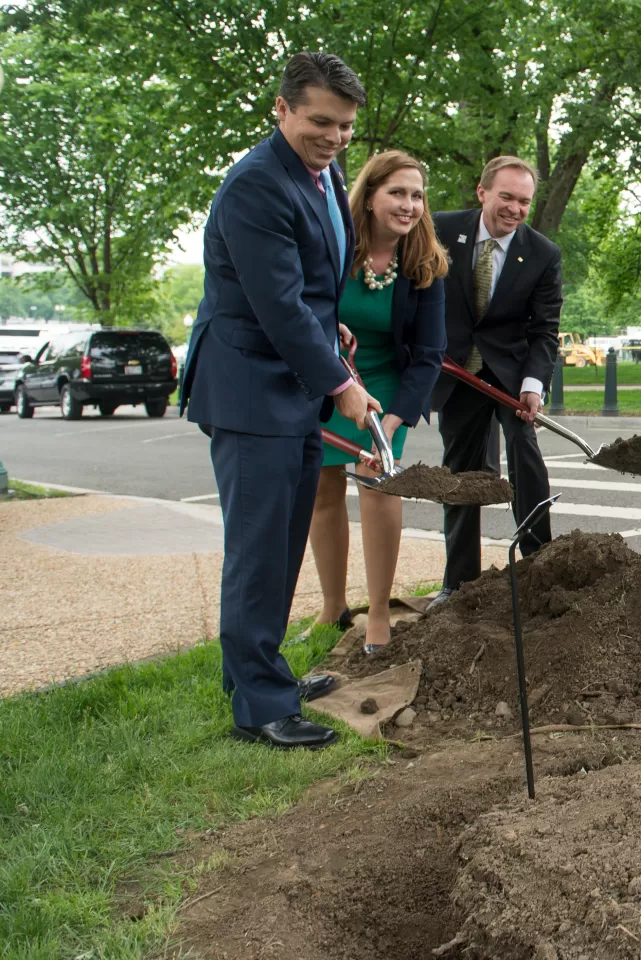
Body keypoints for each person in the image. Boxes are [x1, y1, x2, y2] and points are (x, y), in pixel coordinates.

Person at [180, 53, 379, 750]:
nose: (333, 137)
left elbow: (310, 292)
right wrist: (344, 386)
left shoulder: (318, 178)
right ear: (282, 109)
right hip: (248, 387)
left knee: (283, 539)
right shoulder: (255, 186)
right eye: (320, 121)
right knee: (258, 549)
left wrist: (334, 327)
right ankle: (259, 708)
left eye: (346, 127)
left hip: (288, 385)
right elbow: (279, 306)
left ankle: (261, 673)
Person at [305, 150, 448, 654]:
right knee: (322, 491)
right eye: (397, 193)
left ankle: (381, 612)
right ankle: (332, 606)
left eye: (416, 195)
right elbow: (305, 310)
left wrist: (389, 422)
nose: (409, 205)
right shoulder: (332, 246)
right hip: (332, 379)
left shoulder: (425, 262)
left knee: (378, 483)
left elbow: (430, 354)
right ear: (368, 197)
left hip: (390, 385)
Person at [429, 156, 562, 609]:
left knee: (524, 453)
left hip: (512, 373)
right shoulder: (441, 230)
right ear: (483, 192)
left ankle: (541, 565)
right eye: (506, 196)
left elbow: (545, 329)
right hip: (458, 372)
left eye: (524, 201)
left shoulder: (543, 253)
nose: (515, 208)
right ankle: (458, 582)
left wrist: (533, 384)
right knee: (461, 473)